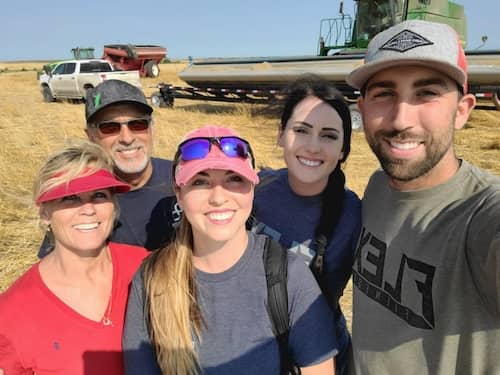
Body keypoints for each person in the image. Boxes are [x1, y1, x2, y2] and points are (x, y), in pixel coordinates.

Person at [345, 20, 500, 374]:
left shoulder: (481, 214)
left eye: (426, 93)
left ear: (462, 110)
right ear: (363, 107)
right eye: (384, 94)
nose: (401, 119)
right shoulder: (377, 187)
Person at [123, 125, 337, 374]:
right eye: (200, 182)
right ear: (178, 194)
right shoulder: (151, 279)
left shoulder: (287, 275)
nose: (218, 197)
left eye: (234, 179)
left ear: (252, 188)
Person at [0, 140, 149, 375]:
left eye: (99, 195)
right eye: (70, 198)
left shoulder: (148, 267)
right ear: (45, 212)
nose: (88, 209)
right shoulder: (11, 315)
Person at [251, 74, 361, 375]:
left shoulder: (356, 215)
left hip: (318, 360)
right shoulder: (253, 191)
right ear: (281, 134)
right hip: (251, 352)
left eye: (328, 135)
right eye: (301, 130)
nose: (313, 146)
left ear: (343, 150)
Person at [38, 79, 179, 257]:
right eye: (110, 127)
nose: (127, 138)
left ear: (151, 129)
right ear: (90, 136)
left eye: (138, 124)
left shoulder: (185, 177)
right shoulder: (82, 196)